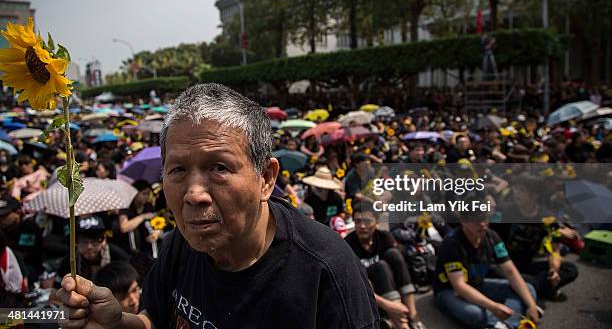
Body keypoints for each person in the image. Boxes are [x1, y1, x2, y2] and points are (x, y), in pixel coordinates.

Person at [57, 83, 379, 329]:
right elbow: (153, 319)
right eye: (178, 170)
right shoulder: (182, 244)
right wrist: (117, 323)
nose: (195, 194)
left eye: (219, 168)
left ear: (266, 178)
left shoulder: (328, 274)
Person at [434, 206, 540, 329]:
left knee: (528, 289)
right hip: (450, 291)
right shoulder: (451, 244)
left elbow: (510, 271)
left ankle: (506, 324)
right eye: (476, 220)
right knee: (476, 314)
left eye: (485, 218)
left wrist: (532, 306)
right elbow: (459, 286)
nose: (482, 224)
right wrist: (493, 306)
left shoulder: (491, 236)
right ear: (463, 221)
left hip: (476, 284)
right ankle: (507, 320)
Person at [345, 201, 427, 329]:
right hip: (369, 297)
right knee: (380, 267)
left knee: (394, 254)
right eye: (357, 221)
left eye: (367, 221)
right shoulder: (347, 245)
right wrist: (389, 305)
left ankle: (412, 315)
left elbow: (399, 267)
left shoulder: (384, 237)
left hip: (392, 291)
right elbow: (352, 286)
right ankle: (402, 324)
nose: (362, 226)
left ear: (376, 222)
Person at [58, 215, 129, 281]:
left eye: (94, 241)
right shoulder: (69, 261)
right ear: (76, 243)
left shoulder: (118, 257)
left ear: (104, 240)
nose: (89, 247)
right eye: (84, 241)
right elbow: (58, 285)